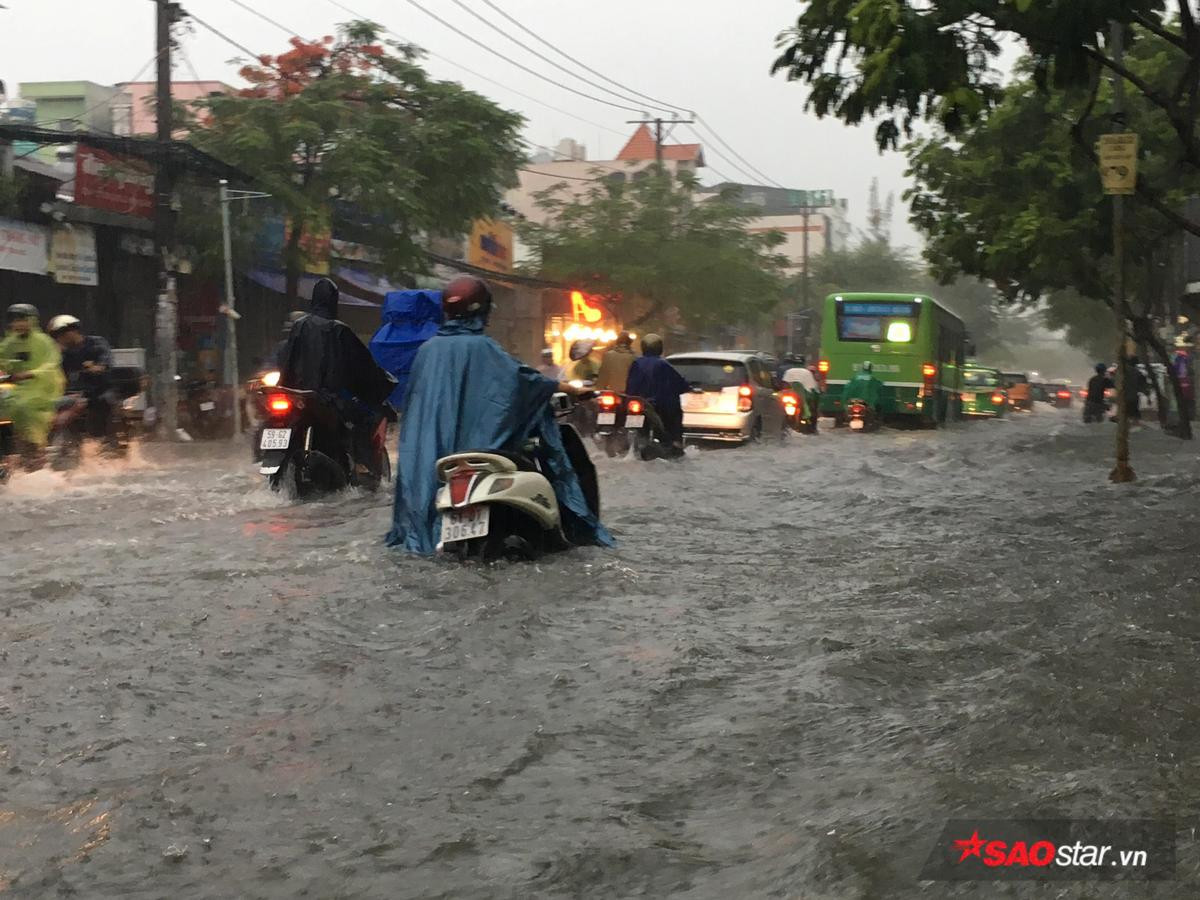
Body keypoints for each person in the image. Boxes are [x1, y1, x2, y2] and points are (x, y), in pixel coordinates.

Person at [387, 275, 612, 554]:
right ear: (482, 310)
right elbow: (523, 382)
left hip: (432, 460)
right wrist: (569, 389)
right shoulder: (484, 348)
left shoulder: (426, 351)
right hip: (482, 453)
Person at [277, 278, 395, 470]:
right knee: (365, 418)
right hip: (330, 400)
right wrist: (384, 382)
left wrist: (287, 386)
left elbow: (287, 361)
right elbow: (364, 366)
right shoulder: (339, 330)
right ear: (333, 301)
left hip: (298, 397)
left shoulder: (299, 326)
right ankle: (361, 466)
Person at [0, 304, 65, 456]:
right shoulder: (10, 342)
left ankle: (37, 447)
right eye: (14, 320)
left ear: (32, 320)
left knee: (24, 406)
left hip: (44, 386)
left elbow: (51, 363)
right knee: (8, 405)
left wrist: (31, 373)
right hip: (17, 387)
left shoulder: (43, 341)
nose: (18, 324)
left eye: (22, 320)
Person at [47, 314, 117, 445]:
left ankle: (105, 439)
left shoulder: (96, 343)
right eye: (56, 337)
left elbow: (105, 363)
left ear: (72, 331)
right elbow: (54, 371)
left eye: (60, 336)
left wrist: (96, 368)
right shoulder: (63, 354)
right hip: (73, 394)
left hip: (99, 390)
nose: (59, 340)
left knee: (104, 401)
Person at [625, 333, 690, 453]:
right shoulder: (663, 364)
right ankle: (676, 444)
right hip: (661, 405)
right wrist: (687, 387)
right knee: (675, 415)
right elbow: (680, 384)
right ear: (659, 348)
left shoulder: (636, 363)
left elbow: (630, 386)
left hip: (639, 403)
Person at [782, 354, 820, 427]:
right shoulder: (807, 372)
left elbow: (784, 383)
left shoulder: (789, 371)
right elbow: (812, 387)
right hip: (803, 398)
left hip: (789, 396)